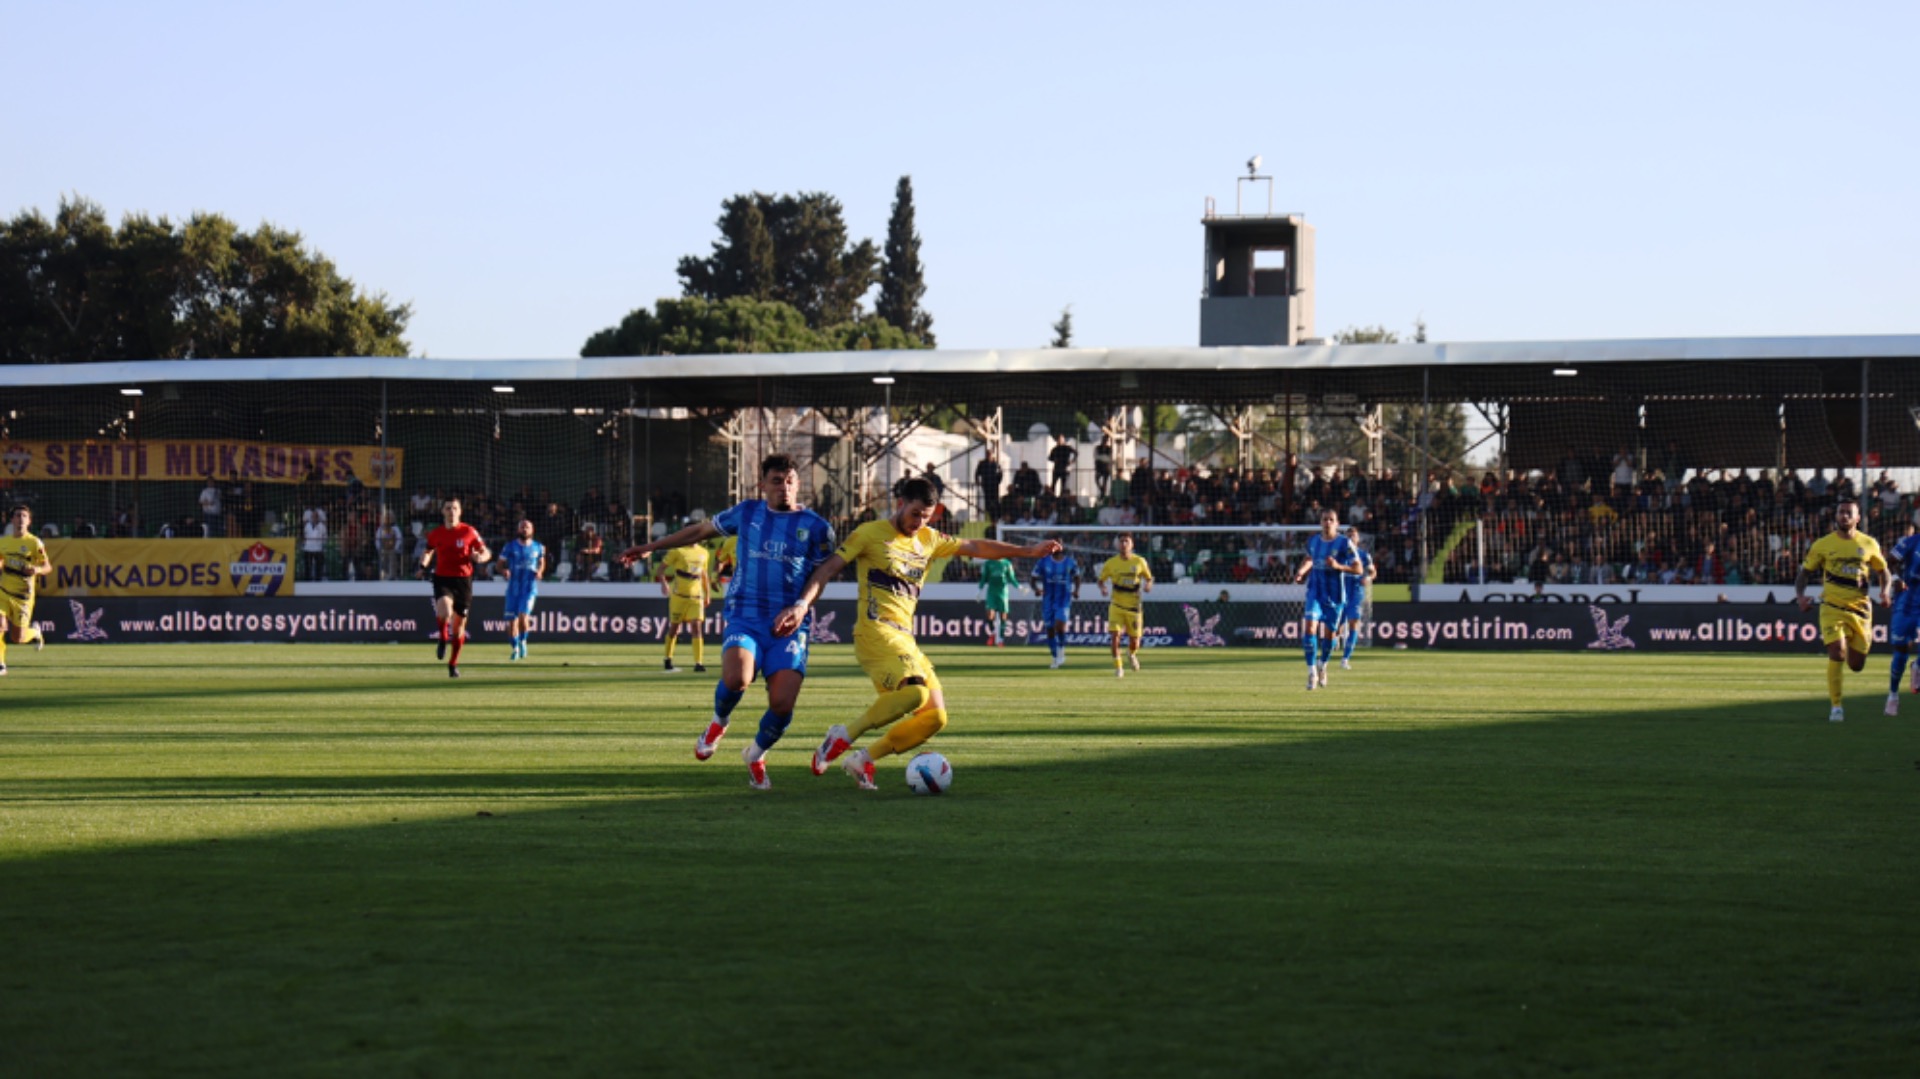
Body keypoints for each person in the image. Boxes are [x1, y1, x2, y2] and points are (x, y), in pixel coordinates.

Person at [776, 476, 1058, 791]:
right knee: (916, 693)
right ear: (901, 504)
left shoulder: (928, 538)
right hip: (876, 632)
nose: (919, 521)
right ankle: (842, 736)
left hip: (905, 639)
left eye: (926, 516)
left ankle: (863, 759)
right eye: (915, 514)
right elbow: (827, 569)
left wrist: (1028, 551)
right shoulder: (869, 534)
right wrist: (801, 604)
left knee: (935, 717)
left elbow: (975, 546)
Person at [619, 454, 836, 790]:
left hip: (789, 623)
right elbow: (700, 530)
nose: (785, 487)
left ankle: (756, 754)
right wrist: (652, 546)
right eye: (777, 481)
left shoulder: (817, 527)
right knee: (737, 678)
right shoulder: (746, 513)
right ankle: (719, 722)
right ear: (762, 485)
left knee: (782, 703)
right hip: (745, 616)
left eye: (791, 480)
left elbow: (824, 572)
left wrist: (801, 606)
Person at [1795, 499, 1888, 722]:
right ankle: (1836, 706)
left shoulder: (1868, 544)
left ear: (1857, 518)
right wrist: (1800, 596)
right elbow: (1805, 573)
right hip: (1831, 607)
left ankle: (1853, 653)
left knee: (1856, 665)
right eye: (1841, 512)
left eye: (1849, 513)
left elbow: (1883, 571)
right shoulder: (1823, 544)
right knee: (1837, 652)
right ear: (1836, 516)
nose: (1844, 516)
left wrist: (1885, 591)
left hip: (1860, 610)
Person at [419, 497, 491, 679]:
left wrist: (480, 558)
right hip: (443, 578)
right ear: (443, 511)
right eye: (448, 508)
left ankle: (453, 664)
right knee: (444, 610)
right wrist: (423, 564)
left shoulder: (469, 531)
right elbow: (428, 551)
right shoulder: (436, 533)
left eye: (455, 508)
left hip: (463, 581)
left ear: (460, 511)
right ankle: (443, 638)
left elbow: (485, 552)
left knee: (458, 628)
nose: (451, 511)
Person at [1292, 507, 1362, 690]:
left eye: (1331, 519)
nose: (1327, 522)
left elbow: (1358, 569)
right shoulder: (1313, 541)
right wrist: (1301, 572)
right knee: (1309, 627)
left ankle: (1323, 664)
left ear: (1337, 523)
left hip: (1336, 595)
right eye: (1324, 519)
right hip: (1315, 590)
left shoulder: (1344, 543)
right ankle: (1311, 672)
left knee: (1330, 635)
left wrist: (1339, 566)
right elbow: (1309, 558)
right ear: (1320, 522)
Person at [0, 506, 52, 676]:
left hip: (23, 597)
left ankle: (35, 632)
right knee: (0, 625)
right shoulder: (3, 542)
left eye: (24, 516)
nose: (20, 519)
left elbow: (47, 567)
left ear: (29, 521)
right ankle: (1, 664)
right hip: (3, 591)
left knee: (18, 638)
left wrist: (36, 570)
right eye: (17, 515)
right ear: (12, 520)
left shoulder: (34, 542)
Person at [654, 533, 713, 673]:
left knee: (696, 627)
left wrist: (708, 594)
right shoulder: (677, 551)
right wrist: (664, 584)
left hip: (696, 597)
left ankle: (698, 663)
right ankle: (668, 658)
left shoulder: (703, 552)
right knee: (674, 628)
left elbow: (704, 574)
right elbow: (660, 569)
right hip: (679, 597)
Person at [1097, 532, 1153, 677]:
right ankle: (1119, 667)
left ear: (1132, 544)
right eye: (1121, 541)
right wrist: (1103, 588)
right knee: (1115, 637)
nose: (1123, 544)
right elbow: (1101, 580)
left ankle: (1131, 653)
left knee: (1135, 641)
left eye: (1126, 541)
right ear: (1117, 544)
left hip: (1134, 608)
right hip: (1116, 606)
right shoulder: (1111, 563)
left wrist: (1148, 586)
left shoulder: (1139, 562)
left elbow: (1148, 578)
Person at [494, 517, 546, 661]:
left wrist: (540, 571)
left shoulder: (538, 547)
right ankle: (515, 648)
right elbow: (499, 564)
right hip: (513, 589)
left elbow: (542, 563)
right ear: (518, 530)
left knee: (523, 617)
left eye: (527, 527)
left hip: (529, 588)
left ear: (532, 530)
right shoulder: (510, 547)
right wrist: (503, 571)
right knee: (511, 622)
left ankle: (523, 642)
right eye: (522, 526)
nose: (524, 529)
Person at [1882, 524, 1920, 716]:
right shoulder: (1912, 542)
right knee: (1900, 651)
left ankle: (1918, 665)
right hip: (1906, 601)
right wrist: (1896, 578)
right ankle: (1893, 695)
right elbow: (1889, 560)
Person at [1031, 539, 1081, 669]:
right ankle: (1054, 656)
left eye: (1059, 544)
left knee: (1060, 624)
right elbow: (1033, 577)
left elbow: (1077, 577)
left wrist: (1076, 590)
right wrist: (1036, 589)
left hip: (1064, 599)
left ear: (1062, 546)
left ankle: (1061, 649)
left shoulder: (1070, 562)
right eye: (1053, 545)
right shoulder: (1043, 562)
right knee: (1050, 629)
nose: (1056, 547)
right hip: (1048, 600)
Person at [1337, 526, 1378, 670]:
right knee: (1336, 625)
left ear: (1358, 538)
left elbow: (1373, 573)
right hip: (1340, 591)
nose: (1350, 538)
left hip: (1355, 592)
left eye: (1353, 536)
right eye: (1348, 536)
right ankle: (1327, 654)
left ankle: (1345, 659)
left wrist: (1368, 577)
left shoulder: (1364, 555)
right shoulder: (1339, 554)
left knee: (1354, 623)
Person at [977, 555, 1018, 646]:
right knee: (990, 615)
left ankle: (1001, 640)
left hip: (1003, 592)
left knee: (1003, 616)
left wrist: (1019, 587)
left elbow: (1011, 578)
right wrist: (979, 590)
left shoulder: (1007, 563)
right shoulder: (988, 563)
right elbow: (984, 578)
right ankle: (992, 634)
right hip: (992, 592)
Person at [974, 449, 1004, 522]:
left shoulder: (996, 464)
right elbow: (977, 473)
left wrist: (997, 482)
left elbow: (1000, 474)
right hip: (986, 485)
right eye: (987, 454)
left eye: (990, 454)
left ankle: (996, 517)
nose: (988, 456)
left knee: (995, 501)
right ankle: (988, 516)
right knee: (987, 501)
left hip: (994, 486)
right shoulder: (982, 463)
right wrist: (977, 481)